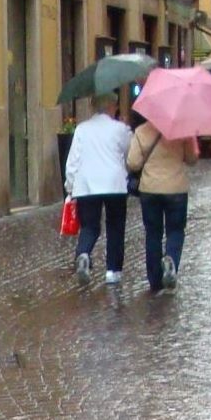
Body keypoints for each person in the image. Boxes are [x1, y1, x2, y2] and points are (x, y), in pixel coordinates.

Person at [125, 102, 196, 294]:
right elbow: (192, 159)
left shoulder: (141, 131)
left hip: (150, 189)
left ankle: (155, 281)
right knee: (176, 230)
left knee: (153, 233)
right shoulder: (182, 130)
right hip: (176, 188)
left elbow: (133, 163)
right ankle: (171, 259)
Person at [62, 95, 133, 286]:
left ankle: (84, 253)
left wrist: (70, 187)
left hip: (87, 184)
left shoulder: (82, 129)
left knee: (90, 226)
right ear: (112, 106)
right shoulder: (120, 129)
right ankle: (113, 271)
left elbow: (73, 162)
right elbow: (130, 154)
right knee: (115, 226)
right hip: (114, 183)